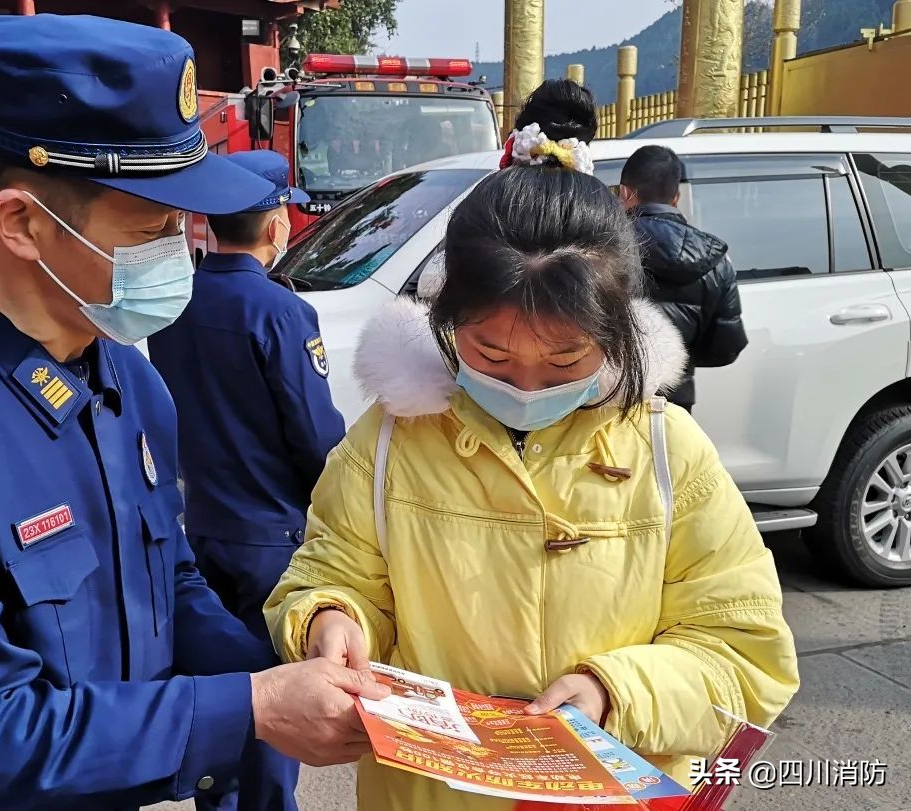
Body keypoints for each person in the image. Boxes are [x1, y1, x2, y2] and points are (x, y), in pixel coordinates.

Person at [0, 15, 387, 811]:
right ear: (22, 222)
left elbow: (170, 584)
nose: (180, 253)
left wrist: (284, 672)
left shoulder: (127, 377)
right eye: (153, 229)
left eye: (183, 227)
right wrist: (251, 707)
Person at [265, 155, 800, 807]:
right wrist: (330, 616)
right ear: (447, 320)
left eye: (564, 360)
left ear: (615, 330)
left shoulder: (668, 452)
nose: (525, 385)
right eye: (491, 355)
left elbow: (746, 653)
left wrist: (615, 694)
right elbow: (334, 571)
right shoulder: (388, 443)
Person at [148, 149, 345, 808]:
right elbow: (316, 437)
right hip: (273, 538)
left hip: (204, 527)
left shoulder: (177, 302)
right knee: (276, 705)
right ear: (276, 224)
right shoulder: (281, 311)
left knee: (224, 693)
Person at [619, 144, 749, 412]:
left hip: (610, 403)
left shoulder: (602, 247)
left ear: (624, 192)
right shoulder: (714, 259)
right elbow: (726, 348)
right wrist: (679, 355)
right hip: (674, 406)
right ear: (676, 197)